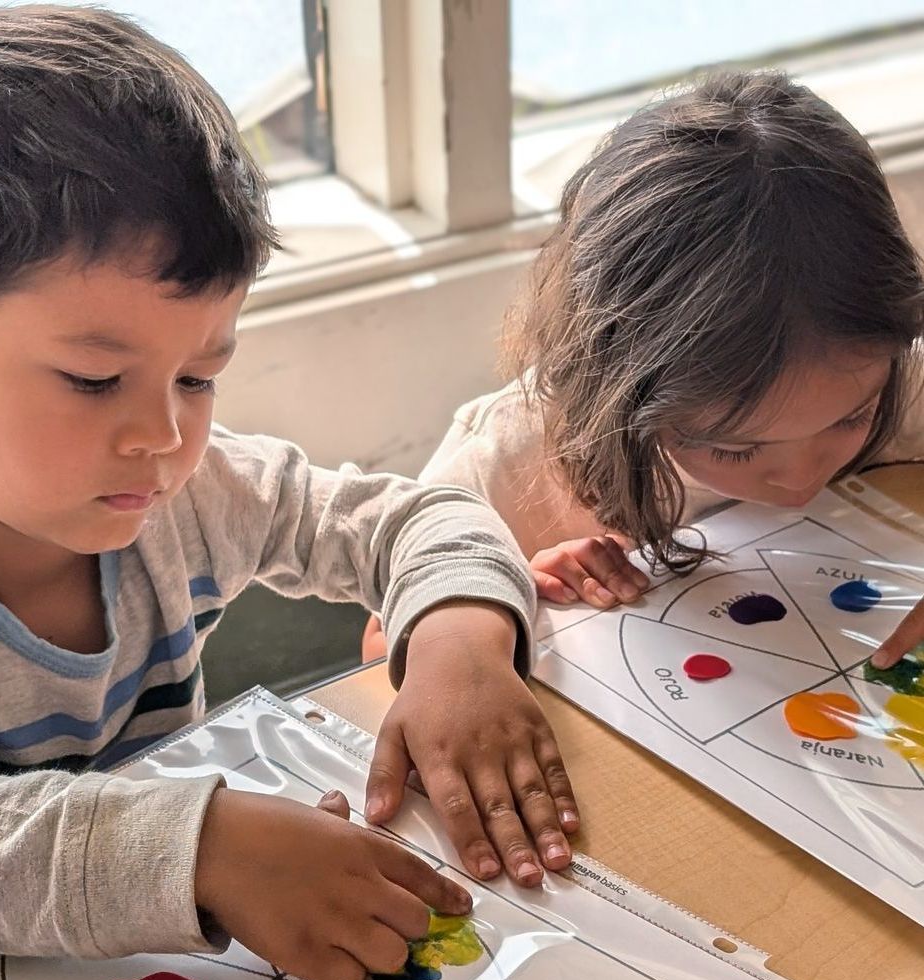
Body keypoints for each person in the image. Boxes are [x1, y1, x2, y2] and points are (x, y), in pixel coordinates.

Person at [0, 4, 580, 980]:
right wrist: (198, 852)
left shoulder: (187, 491)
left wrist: (456, 634)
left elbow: (421, 519)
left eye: (198, 376)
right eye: (95, 381)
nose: (164, 435)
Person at [364, 70, 924, 662]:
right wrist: (490, 605)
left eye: (851, 418)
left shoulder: (890, 369)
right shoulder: (506, 463)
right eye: (735, 448)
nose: (798, 475)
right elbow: (379, 649)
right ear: (621, 385)